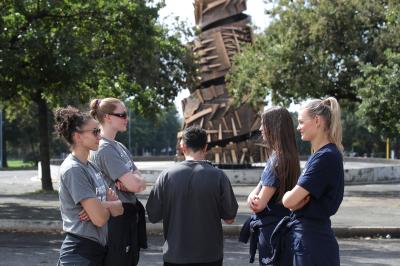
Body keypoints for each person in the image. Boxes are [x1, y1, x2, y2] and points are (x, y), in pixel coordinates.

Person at [146, 126, 238, 266]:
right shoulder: (219, 176)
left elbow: (153, 215)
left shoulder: (166, 176)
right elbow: (230, 218)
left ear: (183, 147)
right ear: (206, 147)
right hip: (210, 255)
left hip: (175, 255)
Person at [279, 97, 344, 266]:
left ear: (317, 121)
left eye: (301, 122)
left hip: (313, 243)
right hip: (311, 240)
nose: (298, 127)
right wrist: (294, 201)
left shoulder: (325, 157)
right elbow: (294, 202)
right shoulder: (321, 155)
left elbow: (289, 200)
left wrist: (290, 198)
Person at [55, 106, 123, 266]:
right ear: (78, 136)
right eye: (95, 132)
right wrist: (107, 207)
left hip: (95, 251)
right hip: (80, 253)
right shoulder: (74, 169)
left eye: (99, 131)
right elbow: (99, 219)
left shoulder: (90, 166)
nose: (100, 136)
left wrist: (103, 205)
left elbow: (120, 208)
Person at [239, 106, 301, 265]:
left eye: (263, 124)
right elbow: (262, 187)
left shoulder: (276, 160)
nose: (260, 129)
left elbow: (258, 204)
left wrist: (250, 197)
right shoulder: (290, 157)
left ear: (274, 127)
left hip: (272, 231)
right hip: (286, 228)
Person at [89, 97, 147, 266]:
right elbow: (136, 184)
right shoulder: (104, 148)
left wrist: (133, 181)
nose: (126, 118)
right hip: (116, 219)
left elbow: (140, 183)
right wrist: (134, 181)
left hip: (127, 216)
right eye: (122, 115)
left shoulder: (119, 147)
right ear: (107, 117)